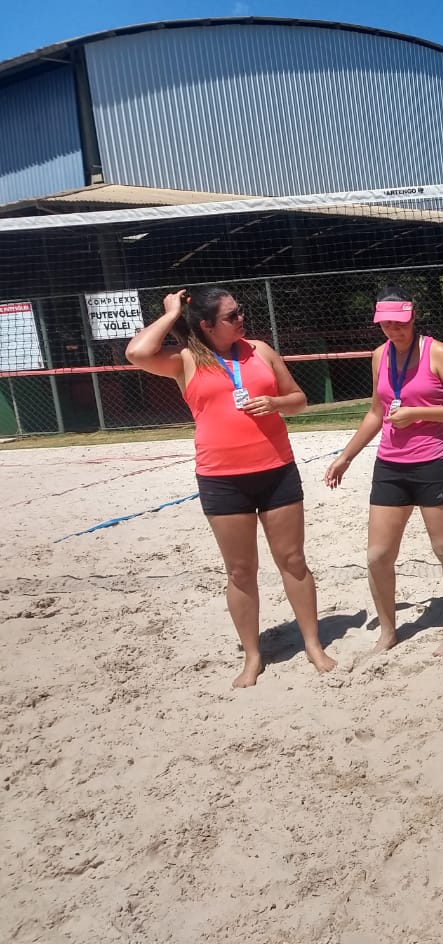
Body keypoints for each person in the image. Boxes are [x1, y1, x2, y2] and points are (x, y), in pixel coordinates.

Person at [125, 287, 337, 688]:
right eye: (232, 315)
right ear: (206, 325)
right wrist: (172, 314)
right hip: (222, 478)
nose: (241, 319)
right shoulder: (185, 360)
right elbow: (137, 352)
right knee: (241, 571)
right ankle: (253, 657)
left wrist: (276, 404)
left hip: (276, 470)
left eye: (241, 312)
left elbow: (299, 399)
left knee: (292, 560)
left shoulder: (259, 350)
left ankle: (313, 644)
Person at [324, 288, 443, 655]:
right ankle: (388, 632)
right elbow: (376, 413)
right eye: (386, 324)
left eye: (400, 323)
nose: (394, 330)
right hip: (391, 465)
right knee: (377, 555)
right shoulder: (380, 355)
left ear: (413, 317)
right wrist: (346, 456)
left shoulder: (436, 352)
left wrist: (419, 413)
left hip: (435, 461)